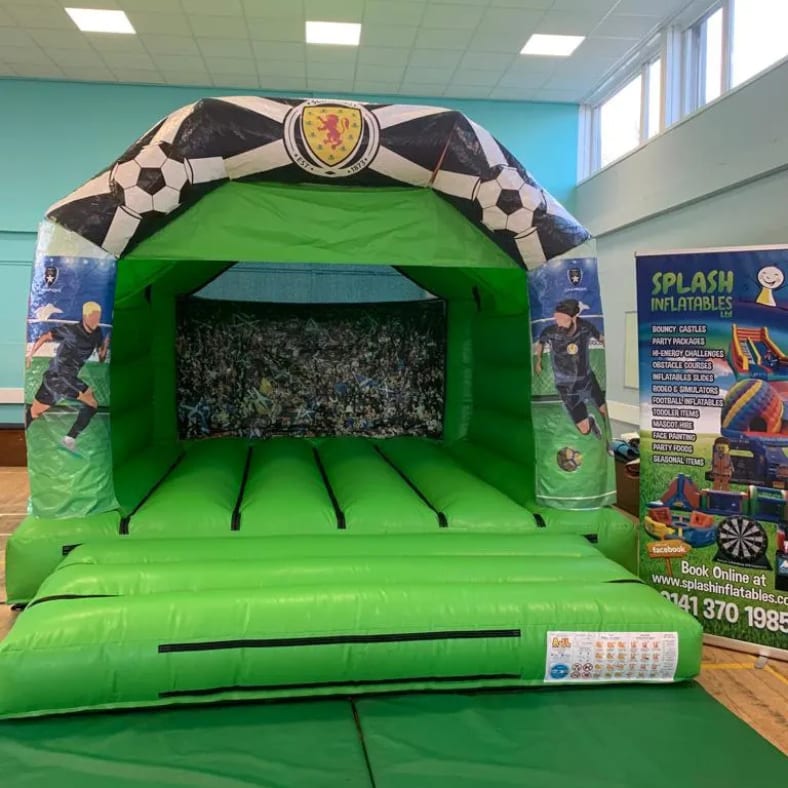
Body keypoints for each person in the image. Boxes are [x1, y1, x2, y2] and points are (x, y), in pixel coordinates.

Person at [25, 301, 110, 453]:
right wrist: (31, 354)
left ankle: (69, 438)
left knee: (91, 403)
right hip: (57, 376)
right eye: (93, 316)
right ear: (85, 316)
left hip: (71, 378)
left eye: (98, 317)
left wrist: (105, 346)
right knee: (35, 412)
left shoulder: (97, 333)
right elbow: (46, 336)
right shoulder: (71, 331)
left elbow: (101, 357)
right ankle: (68, 438)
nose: (95, 320)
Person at [534, 298, 608, 439]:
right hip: (566, 385)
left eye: (563, 319)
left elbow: (601, 338)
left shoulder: (585, 326)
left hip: (586, 378)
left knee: (604, 410)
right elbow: (541, 343)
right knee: (584, 430)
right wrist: (538, 360)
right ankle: (590, 422)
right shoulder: (550, 331)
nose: (559, 322)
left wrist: (606, 344)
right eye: (557, 318)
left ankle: (606, 440)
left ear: (574, 317)